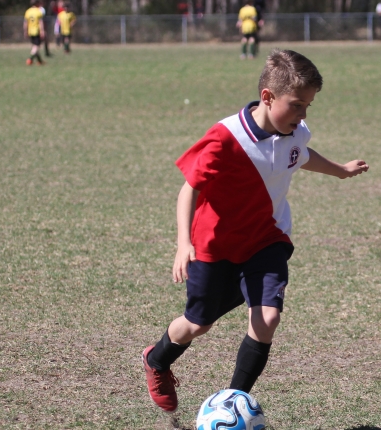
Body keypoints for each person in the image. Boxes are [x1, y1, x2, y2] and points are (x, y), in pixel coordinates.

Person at [141, 49, 369, 413]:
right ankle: (157, 360)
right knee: (198, 324)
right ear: (268, 97)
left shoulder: (294, 129)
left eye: (309, 106)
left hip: (268, 238)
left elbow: (301, 155)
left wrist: (340, 169)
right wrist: (183, 243)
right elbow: (190, 188)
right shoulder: (225, 139)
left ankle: (232, 402)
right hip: (214, 246)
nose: (304, 114)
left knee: (268, 318)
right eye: (297, 105)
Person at [24, 0, 46, 65]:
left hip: (30, 31)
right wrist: (42, 31)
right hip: (37, 31)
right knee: (36, 47)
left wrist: (25, 31)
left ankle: (40, 61)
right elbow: (40, 22)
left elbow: (25, 23)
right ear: (37, 3)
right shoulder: (38, 11)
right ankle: (30, 59)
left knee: (34, 46)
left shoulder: (27, 11)